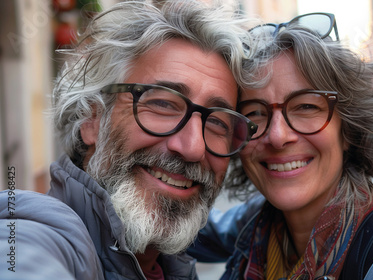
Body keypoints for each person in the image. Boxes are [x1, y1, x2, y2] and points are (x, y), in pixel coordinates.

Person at [188, 13, 373, 279]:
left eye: (305, 107)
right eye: (254, 113)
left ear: (348, 130)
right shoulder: (257, 224)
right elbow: (176, 229)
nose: (277, 136)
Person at [0, 1, 257, 279]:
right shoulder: (33, 234)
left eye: (218, 122)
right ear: (92, 119)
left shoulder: (169, 265)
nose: (194, 147)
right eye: (163, 104)